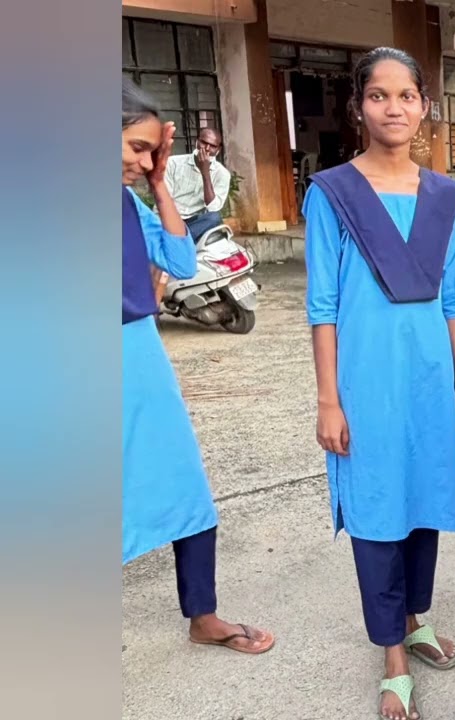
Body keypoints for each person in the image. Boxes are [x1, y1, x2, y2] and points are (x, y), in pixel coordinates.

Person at [304, 47, 455, 720]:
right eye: (379, 95)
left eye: (406, 96)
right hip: (365, 381)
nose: (393, 108)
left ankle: (414, 619)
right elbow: (322, 304)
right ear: (359, 107)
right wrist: (328, 398)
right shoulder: (332, 193)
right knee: (376, 509)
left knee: (422, 499)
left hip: (429, 382)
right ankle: (392, 655)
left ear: (425, 107)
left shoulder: (446, 197)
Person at [121, 79, 275, 655]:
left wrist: (161, 184)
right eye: (137, 149)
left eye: (151, 151)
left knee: (185, 485)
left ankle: (203, 615)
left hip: (139, 355)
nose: (145, 161)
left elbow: (181, 260)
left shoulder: (127, 204)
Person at [164, 126, 231, 241]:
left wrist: (205, 173)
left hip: (195, 223)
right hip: (169, 218)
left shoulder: (222, 174)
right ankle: (180, 240)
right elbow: (165, 199)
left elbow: (213, 208)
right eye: (204, 143)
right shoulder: (173, 163)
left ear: (218, 150)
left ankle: (178, 241)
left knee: (214, 218)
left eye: (213, 146)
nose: (207, 149)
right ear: (197, 142)